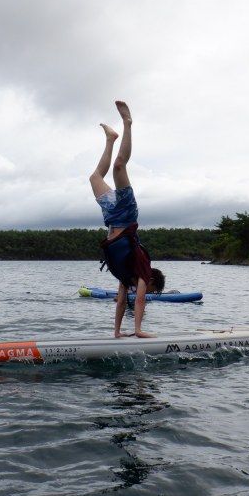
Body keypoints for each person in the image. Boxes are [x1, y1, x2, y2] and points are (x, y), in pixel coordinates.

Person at [90, 100, 165, 338]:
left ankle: (111, 139)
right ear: (151, 279)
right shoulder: (144, 269)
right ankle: (128, 123)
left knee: (94, 177)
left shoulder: (126, 276)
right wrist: (139, 330)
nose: (145, 290)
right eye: (152, 289)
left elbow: (122, 302)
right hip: (125, 216)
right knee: (119, 167)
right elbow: (139, 300)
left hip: (111, 218)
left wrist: (116, 333)